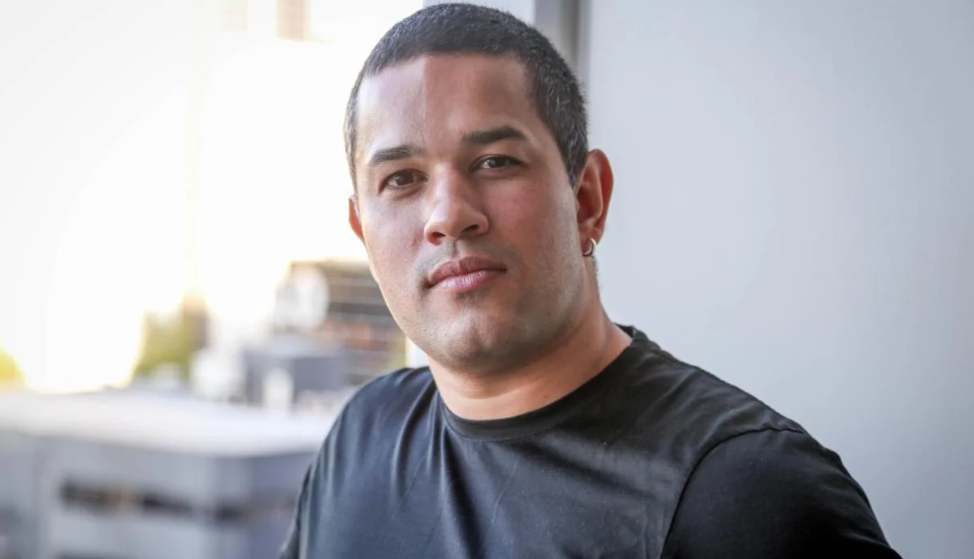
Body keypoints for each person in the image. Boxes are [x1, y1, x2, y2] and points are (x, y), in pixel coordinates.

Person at [281, 4, 901, 558]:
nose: (447, 215)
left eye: (495, 162)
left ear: (587, 201)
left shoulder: (746, 493)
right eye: (401, 179)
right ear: (363, 233)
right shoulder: (363, 436)